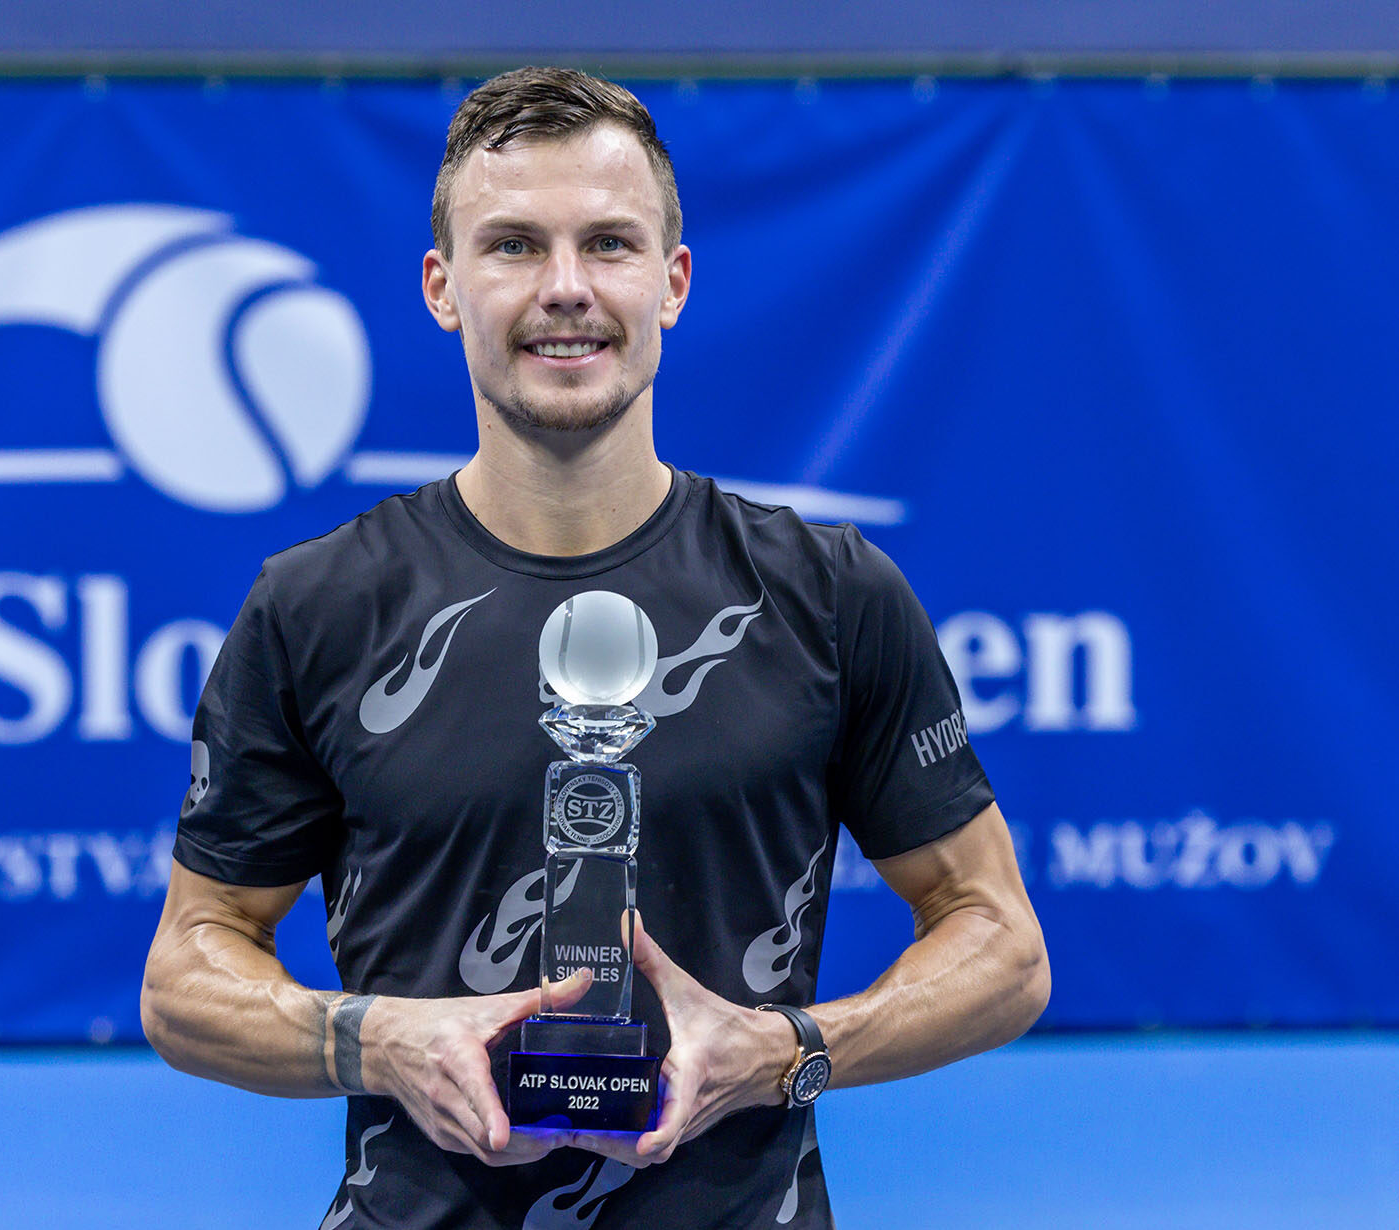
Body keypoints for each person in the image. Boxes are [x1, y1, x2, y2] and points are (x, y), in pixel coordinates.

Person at [142, 66, 1049, 1229]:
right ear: (442, 287)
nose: (564, 289)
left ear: (671, 283)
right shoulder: (315, 607)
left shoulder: (828, 595)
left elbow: (1002, 946)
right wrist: (387, 1040)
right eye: (513, 245)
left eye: (608, 244)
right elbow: (186, 973)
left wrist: (786, 1052)